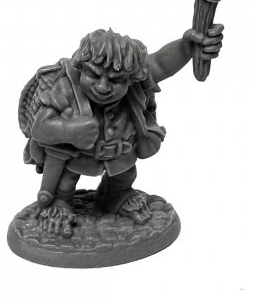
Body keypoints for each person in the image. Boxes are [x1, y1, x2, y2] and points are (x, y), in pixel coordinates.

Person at [21, 25, 223, 237]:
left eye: (116, 80)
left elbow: (160, 64)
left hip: (121, 152)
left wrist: (187, 47)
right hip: (77, 154)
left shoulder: (135, 83)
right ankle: (60, 204)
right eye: (94, 75)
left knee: (125, 176)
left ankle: (114, 197)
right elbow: (40, 128)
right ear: (81, 68)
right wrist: (70, 130)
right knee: (66, 181)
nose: (102, 87)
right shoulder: (65, 89)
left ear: (130, 78)